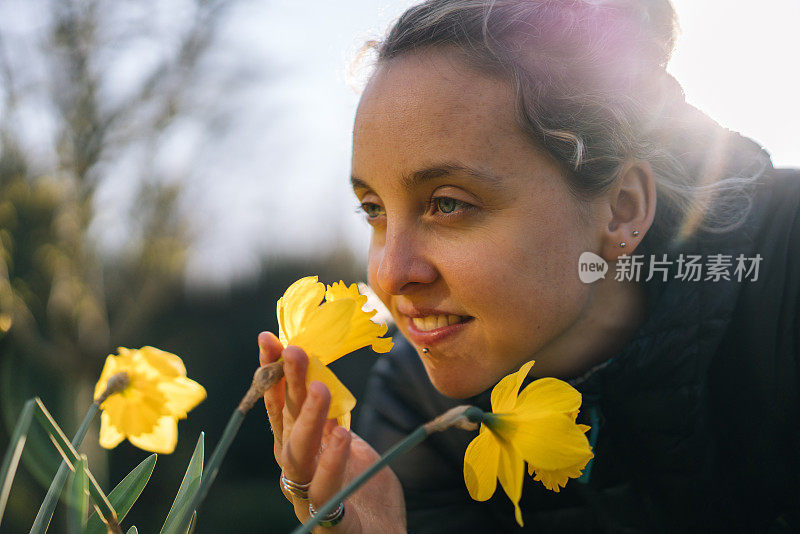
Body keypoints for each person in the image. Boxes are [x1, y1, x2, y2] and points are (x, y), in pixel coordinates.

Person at [257, 0, 800, 532]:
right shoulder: (416, 406)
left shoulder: (784, 272)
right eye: (373, 210)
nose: (391, 275)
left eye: (448, 203)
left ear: (621, 210)